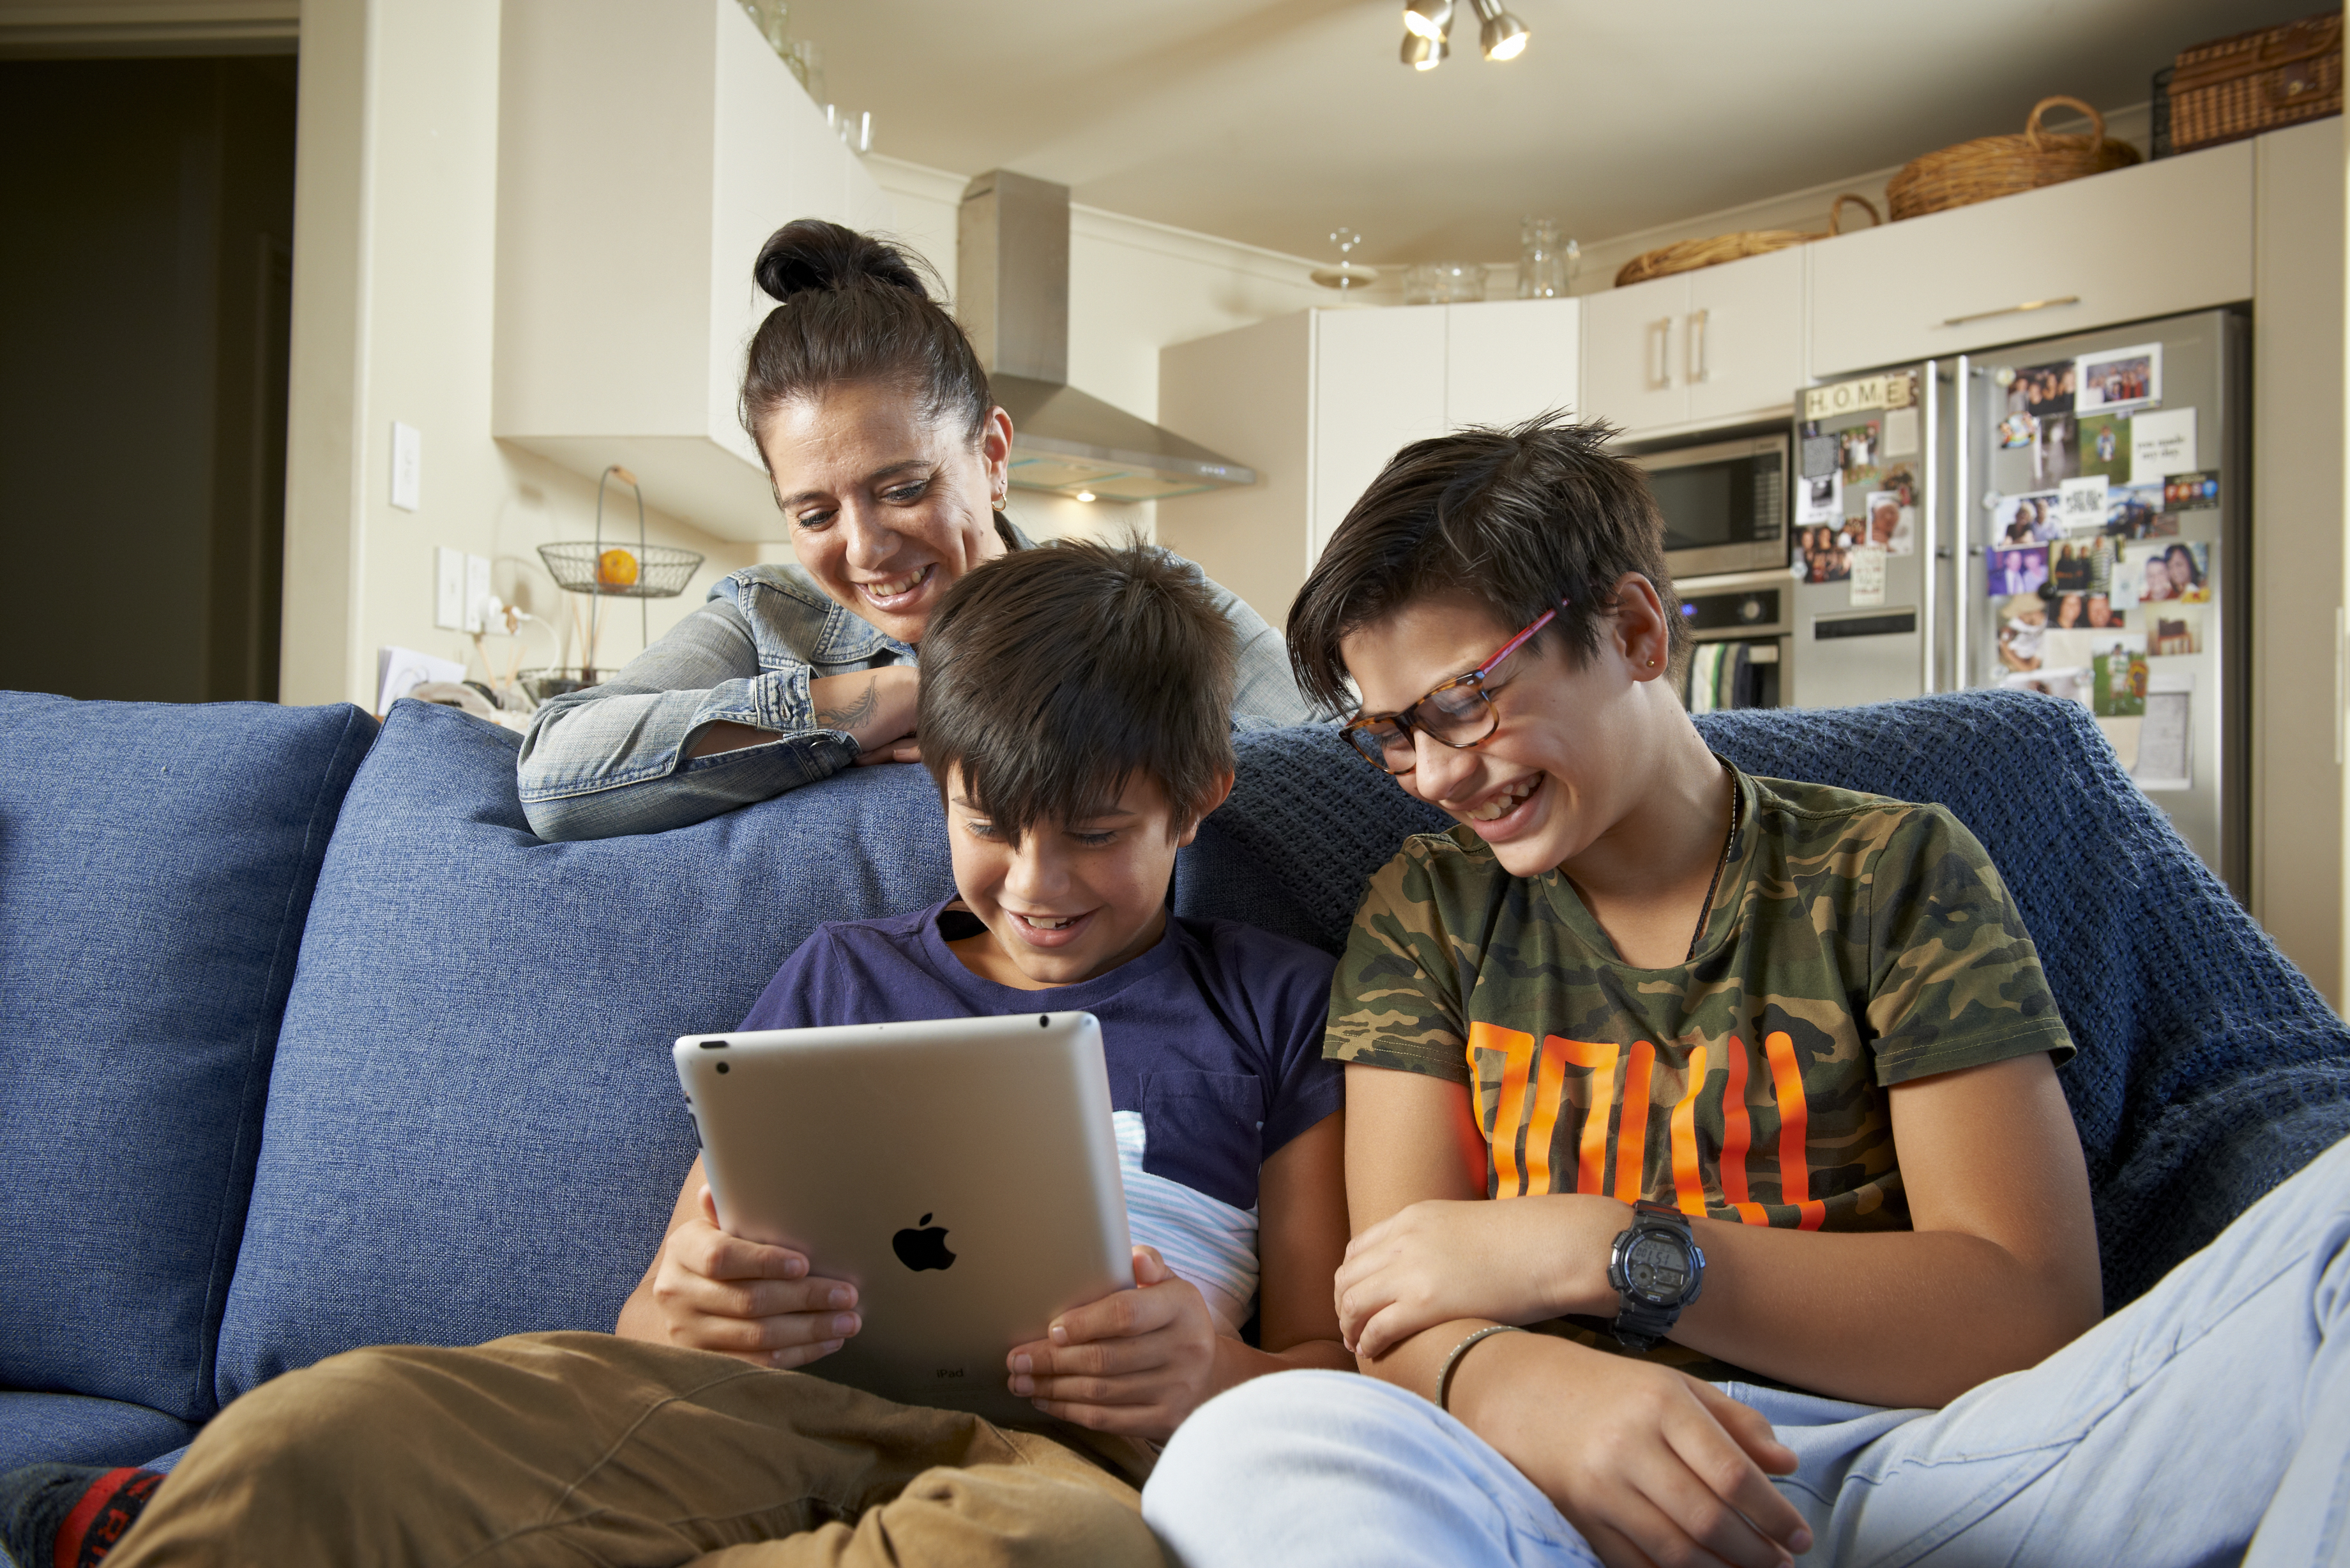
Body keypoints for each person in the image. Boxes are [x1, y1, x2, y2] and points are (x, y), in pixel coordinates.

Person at [1133, 414, 2350, 1568]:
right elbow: (1392, 1316)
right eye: (1394, 732)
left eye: (1465, 700)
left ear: (1637, 633)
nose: (1439, 772)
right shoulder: (1428, 910)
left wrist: (1603, 1247)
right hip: (1545, 1479)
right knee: (1240, 1455)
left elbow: (2024, 1311)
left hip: (1914, 1468)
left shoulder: (1891, 868)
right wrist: (1524, 1389)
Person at [4, 541, 1352, 1568]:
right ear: (933, 776)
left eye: (1099, 834)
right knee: (322, 1424)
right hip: (765, 1418)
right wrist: (693, 1308)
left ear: (1200, 801)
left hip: (1066, 1461)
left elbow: (1338, 1367)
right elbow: (656, 1317)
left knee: (1045, 1553)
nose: (1035, 884)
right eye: (991, 822)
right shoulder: (842, 975)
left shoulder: (1276, 1004)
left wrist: (1213, 1377)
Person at [515, 220, 1308, 842]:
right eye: (815, 513)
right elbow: (556, 774)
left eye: (901, 488)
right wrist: (894, 696)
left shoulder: (1141, 600)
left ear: (991, 454)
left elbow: (1351, 755)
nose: (863, 549)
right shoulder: (767, 619)